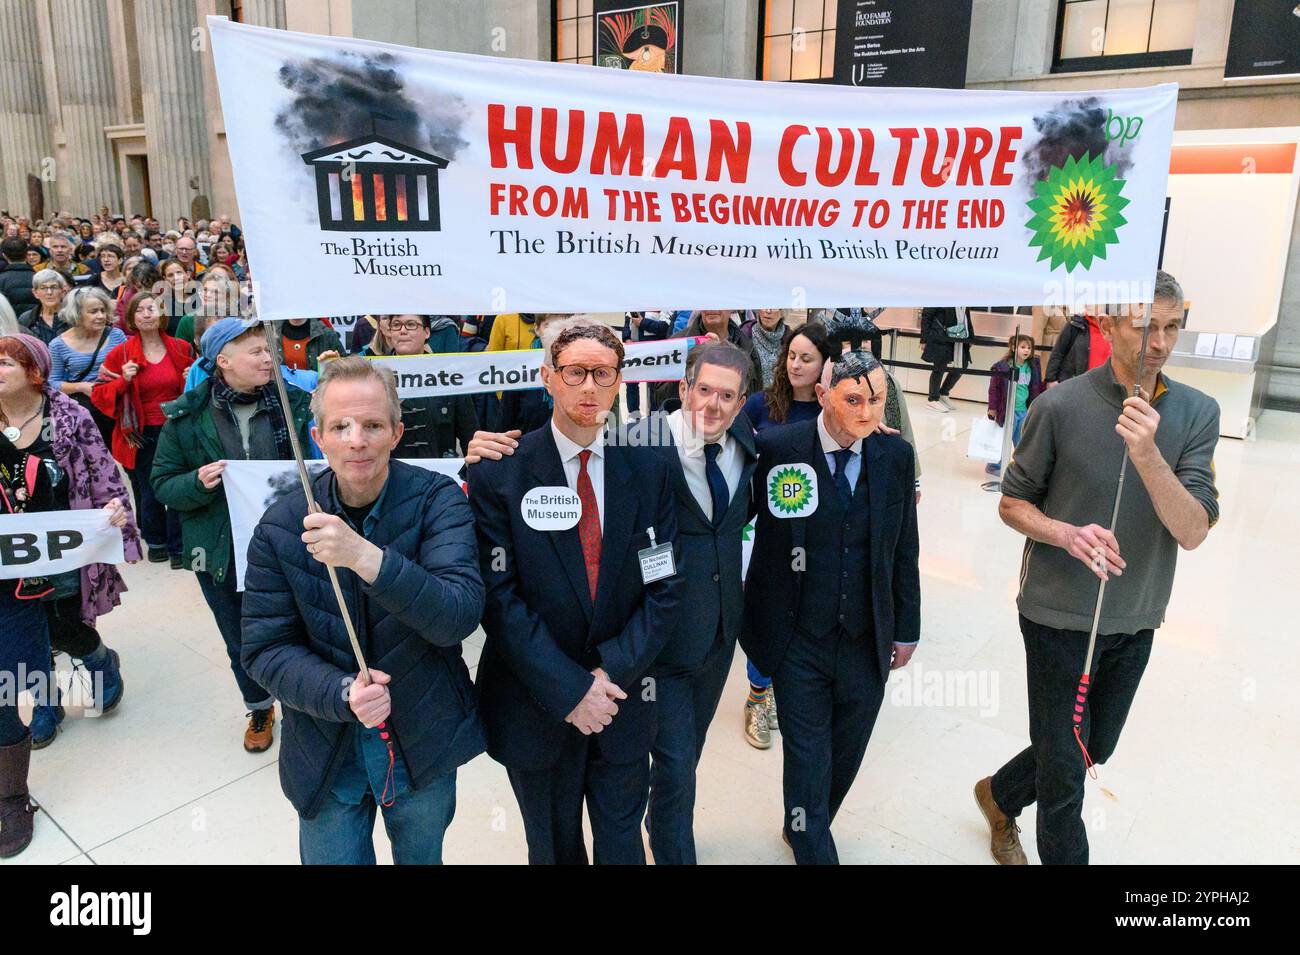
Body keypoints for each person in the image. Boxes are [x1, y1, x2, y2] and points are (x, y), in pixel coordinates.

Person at [975, 272, 1219, 866]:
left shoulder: (1197, 413)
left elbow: (1192, 531)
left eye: (1171, 327)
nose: (1159, 343)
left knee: (1093, 746)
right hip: (1056, 615)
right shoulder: (1059, 405)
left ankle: (1000, 793)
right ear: (1109, 326)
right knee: (1064, 781)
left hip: (1135, 617)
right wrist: (1065, 532)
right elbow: (1012, 502)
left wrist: (1147, 453)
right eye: (1145, 327)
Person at [241, 356, 485, 864]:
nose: (357, 440)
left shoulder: (438, 500)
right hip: (326, 751)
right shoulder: (281, 525)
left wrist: (364, 557)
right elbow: (265, 649)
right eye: (341, 426)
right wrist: (338, 692)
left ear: (396, 432)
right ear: (318, 436)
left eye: (373, 425)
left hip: (422, 739)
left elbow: (457, 616)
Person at [467, 319, 683, 864]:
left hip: (622, 701)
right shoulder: (502, 473)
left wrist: (608, 675)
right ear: (548, 377)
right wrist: (570, 690)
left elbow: (662, 587)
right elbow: (500, 597)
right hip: (536, 704)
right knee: (554, 848)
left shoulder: (652, 468)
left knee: (621, 843)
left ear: (619, 382)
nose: (589, 387)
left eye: (603, 374)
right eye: (576, 372)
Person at [742, 348, 921, 864]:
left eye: (878, 401)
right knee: (807, 755)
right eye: (854, 400)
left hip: (867, 637)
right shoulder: (776, 449)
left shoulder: (894, 456)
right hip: (798, 636)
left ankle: (802, 822)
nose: (868, 413)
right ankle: (812, 844)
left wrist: (906, 628)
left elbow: (903, 548)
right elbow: (729, 503)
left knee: (846, 751)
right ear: (823, 396)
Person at [150, 319, 314, 752]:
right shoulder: (186, 418)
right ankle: (260, 706)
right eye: (256, 351)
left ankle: (305, 701)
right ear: (223, 361)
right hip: (218, 550)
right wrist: (196, 483)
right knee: (239, 634)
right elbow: (162, 483)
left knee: (302, 624)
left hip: (289, 541)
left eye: (269, 350)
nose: (269, 358)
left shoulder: (295, 404)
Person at [639, 342, 757, 863]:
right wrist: (493, 449)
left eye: (726, 396)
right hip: (660, 641)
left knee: (689, 752)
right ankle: (672, 848)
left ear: (742, 401)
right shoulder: (637, 442)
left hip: (718, 635)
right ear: (685, 388)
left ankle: (659, 816)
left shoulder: (748, 444)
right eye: (703, 390)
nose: (711, 405)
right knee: (677, 758)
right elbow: (563, 457)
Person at [0, 334, 139, 765]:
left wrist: (116, 509)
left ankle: (98, 659)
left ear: (34, 371)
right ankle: (45, 703)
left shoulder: (68, 415)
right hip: (8, 551)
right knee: (25, 632)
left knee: (62, 625)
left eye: (6, 363)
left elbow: (102, 472)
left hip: (62, 544)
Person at [736, 321, 837, 748]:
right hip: (764, 532)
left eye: (806, 358)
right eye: (791, 355)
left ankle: (788, 687)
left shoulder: (831, 411)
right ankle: (757, 696)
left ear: (825, 365)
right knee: (766, 611)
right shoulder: (760, 406)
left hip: (814, 533)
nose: (795, 364)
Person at [92, 293, 192, 567]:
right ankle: (156, 541)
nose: (147, 314)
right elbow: (99, 395)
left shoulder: (181, 348)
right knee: (148, 489)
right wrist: (123, 380)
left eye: (153, 308)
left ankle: (178, 546)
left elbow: (197, 390)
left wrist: (190, 379)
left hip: (176, 428)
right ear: (132, 318)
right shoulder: (120, 354)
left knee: (177, 487)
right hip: (141, 432)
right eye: (141, 310)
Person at [385, 314, 478, 459]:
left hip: (440, 475)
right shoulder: (377, 377)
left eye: (411, 325)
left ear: (427, 332)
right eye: (396, 325)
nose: (403, 331)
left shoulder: (449, 376)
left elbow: (470, 436)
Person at [48, 287, 125, 447]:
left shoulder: (116, 335)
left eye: (103, 310)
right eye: (93, 311)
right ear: (77, 314)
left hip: (118, 406)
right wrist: (82, 387)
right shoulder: (58, 345)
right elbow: (53, 382)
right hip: (85, 412)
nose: (101, 316)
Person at [985, 334, 1043, 476]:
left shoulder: (1032, 366)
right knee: (1003, 439)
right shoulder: (1003, 367)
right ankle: (994, 465)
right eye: (1023, 347)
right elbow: (994, 389)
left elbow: (1036, 387)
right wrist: (992, 408)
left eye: (1029, 348)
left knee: (1021, 440)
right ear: (1013, 347)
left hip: (1024, 410)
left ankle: (1020, 467)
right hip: (1007, 411)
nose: (1027, 350)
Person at [920, 305, 973, 412]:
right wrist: (924, 339)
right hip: (940, 336)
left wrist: (971, 337)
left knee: (962, 365)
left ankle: (943, 393)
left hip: (959, 336)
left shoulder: (963, 298)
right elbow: (926, 316)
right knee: (939, 367)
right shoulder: (938, 295)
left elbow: (966, 317)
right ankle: (933, 399)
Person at [1045, 308, 1112, 388]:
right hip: (1076, 385)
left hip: (1104, 386)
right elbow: (1058, 352)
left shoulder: (1114, 327)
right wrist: (1051, 379)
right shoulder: (1075, 324)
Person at [740, 308, 794, 390]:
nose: (768, 311)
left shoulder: (791, 339)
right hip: (753, 400)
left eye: (775, 307)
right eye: (764, 305)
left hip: (781, 400)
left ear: (783, 311)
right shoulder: (744, 335)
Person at [17, 269, 71, 344]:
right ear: (35, 293)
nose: (49, 292)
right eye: (43, 288)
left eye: (54, 287)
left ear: (62, 291)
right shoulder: (26, 319)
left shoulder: (73, 317)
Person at [274, 317, 343, 372]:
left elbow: (344, 367)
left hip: (318, 389)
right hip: (279, 389)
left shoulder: (327, 334)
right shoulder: (271, 333)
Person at [0, 238, 37, 313]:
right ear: (27, 254)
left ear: (4, 255)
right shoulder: (39, 278)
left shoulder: (1, 279)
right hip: (34, 323)